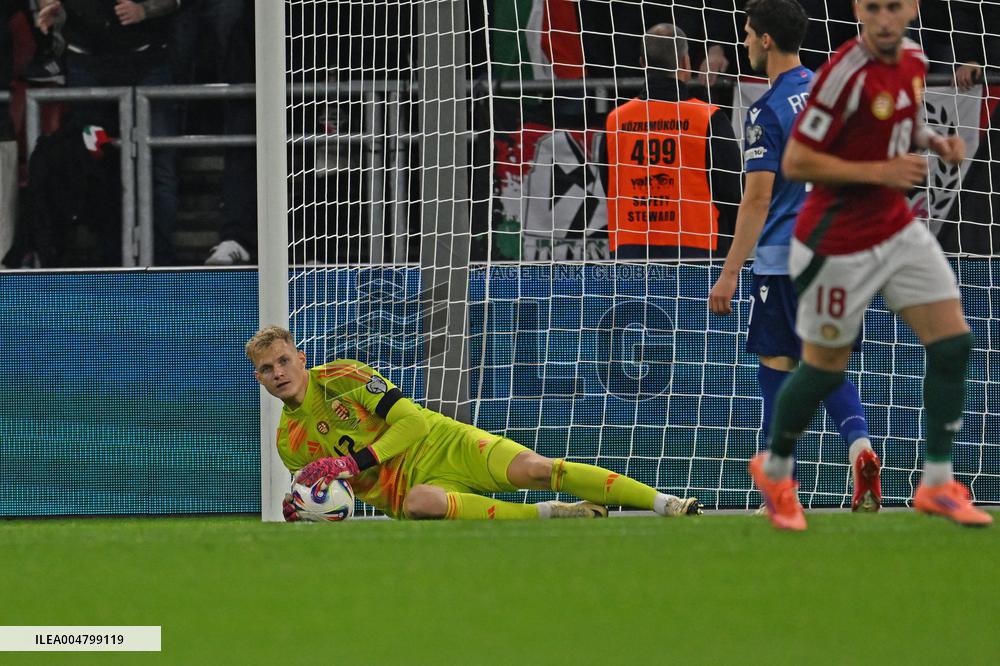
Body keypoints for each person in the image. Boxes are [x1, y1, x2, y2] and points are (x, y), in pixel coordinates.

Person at [749, 0, 993, 529]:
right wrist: (882, 171)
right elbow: (797, 161)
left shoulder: (913, 61)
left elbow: (901, 126)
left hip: (894, 226)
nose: (884, 18)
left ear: (913, 9)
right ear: (859, 9)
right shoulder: (842, 74)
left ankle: (937, 482)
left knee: (953, 343)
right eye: (874, 7)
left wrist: (935, 141)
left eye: (894, 7)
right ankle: (775, 467)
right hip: (834, 237)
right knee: (823, 368)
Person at [246, 325, 704, 521]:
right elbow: (325, 494)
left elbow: (412, 423)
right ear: (259, 379)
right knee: (422, 503)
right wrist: (301, 507)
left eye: (284, 361)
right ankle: (551, 515)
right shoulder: (290, 442)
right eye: (267, 369)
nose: (279, 373)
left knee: (538, 469)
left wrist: (354, 462)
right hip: (406, 491)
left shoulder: (344, 377)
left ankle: (666, 503)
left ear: (301, 358)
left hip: (445, 443)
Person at [709, 0, 879, 513]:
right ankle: (860, 446)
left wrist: (729, 272)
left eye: (746, 34)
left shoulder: (766, 110)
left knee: (777, 368)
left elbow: (757, 199)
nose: (743, 43)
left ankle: (781, 491)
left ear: (765, 40)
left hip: (785, 259)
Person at [37, 0, 181, 266]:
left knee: (159, 165)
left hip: (148, 61)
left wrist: (144, 10)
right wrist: (53, 8)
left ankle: (162, 263)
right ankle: (111, 260)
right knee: (97, 163)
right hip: (86, 64)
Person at [601, 23, 741, 260]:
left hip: (631, 250)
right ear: (686, 62)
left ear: (642, 63)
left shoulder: (616, 121)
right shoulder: (708, 118)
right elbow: (734, 192)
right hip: (697, 250)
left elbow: (610, 186)